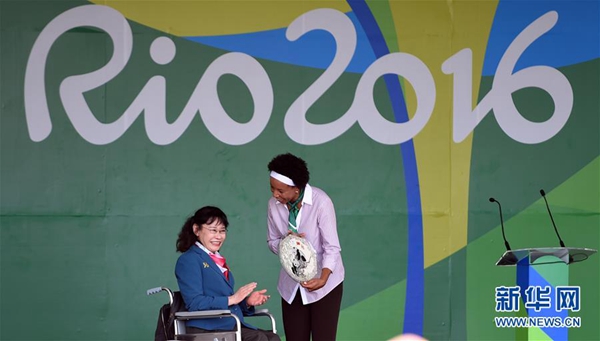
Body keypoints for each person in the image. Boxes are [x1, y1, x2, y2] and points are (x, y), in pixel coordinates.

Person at [266, 153, 345, 341]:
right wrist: (287, 242)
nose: (275, 195)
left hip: (325, 284)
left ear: (296, 188)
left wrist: (324, 278)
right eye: (272, 189)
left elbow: (332, 247)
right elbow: (272, 242)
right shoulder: (273, 205)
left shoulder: (321, 202)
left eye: (280, 190)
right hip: (291, 285)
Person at [175, 206, 280, 341]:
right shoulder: (189, 260)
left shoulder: (216, 260)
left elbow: (226, 302)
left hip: (228, 324)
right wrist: (232, 299)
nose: (218, 236)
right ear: (196, 229)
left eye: (222, 231)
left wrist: (246, 302)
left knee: (272, 338)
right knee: (259, 338)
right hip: (206, 329)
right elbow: (194, 303)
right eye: (213, 230)